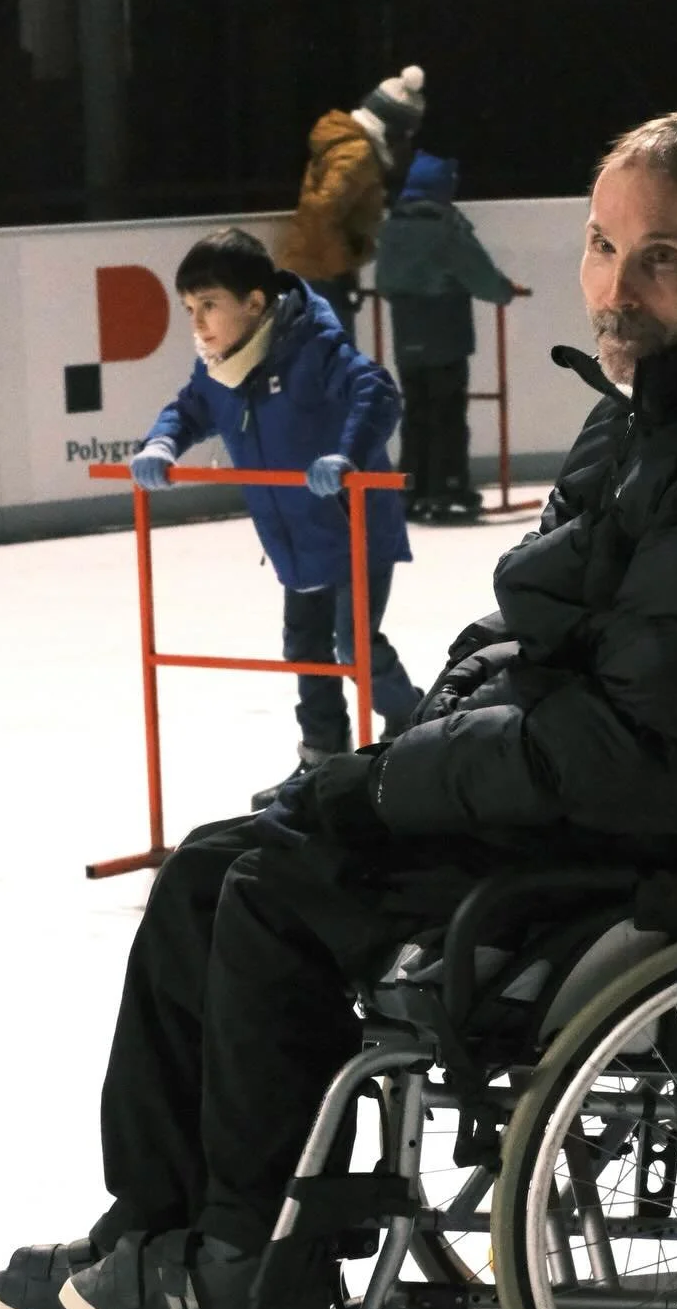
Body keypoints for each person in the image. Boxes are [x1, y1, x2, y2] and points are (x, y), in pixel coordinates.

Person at [0, 113, 677, 1309]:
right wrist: (408, 757)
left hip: (650, 854)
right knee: (211, 867)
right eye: (601, 248)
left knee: (277, 894)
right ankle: (163, 1237)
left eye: (661, 260)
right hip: (565, 805)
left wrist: (399, 777)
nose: (617, 289)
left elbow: (639, 743)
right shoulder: (666, 411)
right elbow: (536, 639)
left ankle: (251, 1273)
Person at [119, 227, 422, 810]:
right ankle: (321, 757)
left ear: (255, 303)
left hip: (351, 524)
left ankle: (411, 725)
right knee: (304, 645)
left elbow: (376, 391)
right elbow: (187, 408)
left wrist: (346, 456)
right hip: (294, 538)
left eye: (210, 306)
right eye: (189, 309)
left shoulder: (312, 349)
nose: (198, 323)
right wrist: (161, 444)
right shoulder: (220, 369)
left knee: (354, 640)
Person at [375, 148, 526, 522]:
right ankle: (448, 488)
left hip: (407, 339)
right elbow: (480, 276)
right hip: (445, 336)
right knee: (447, 413)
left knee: (417, 411)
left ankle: (412, 490)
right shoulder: (446, 229)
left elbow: (383, 281)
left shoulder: (393, 228)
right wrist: (504, 290)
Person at [281, 66, 427, 337]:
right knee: (336, 368)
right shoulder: (357, 156)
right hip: (321, 277)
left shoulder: (354, 148)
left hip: (316, 272)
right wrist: (340, 271)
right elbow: (322, 210)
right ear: (392, 127)